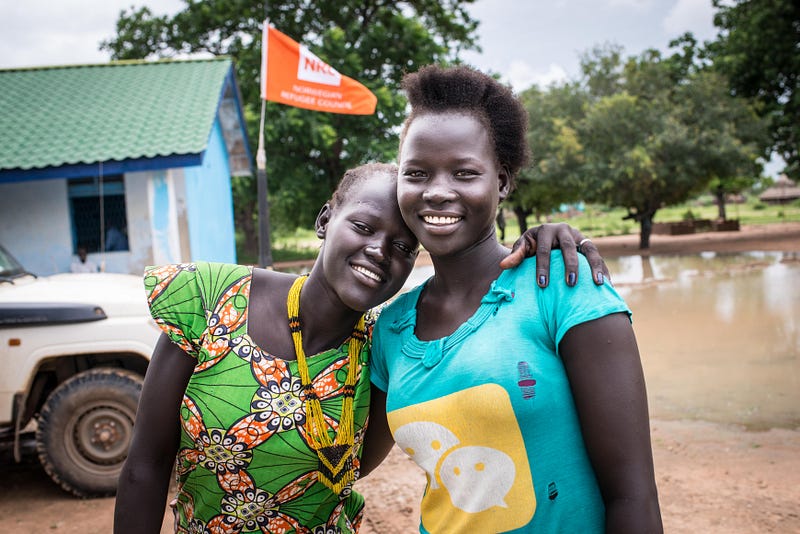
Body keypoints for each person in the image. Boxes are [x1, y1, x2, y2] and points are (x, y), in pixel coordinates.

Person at [113, 162, 604, 533]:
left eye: (402, 247)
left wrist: (540, 241)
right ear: (326, 219)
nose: (379, 251)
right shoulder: (212, 299)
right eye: (364, 228)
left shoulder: (387, 345)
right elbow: (145, 467)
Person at [366, 65, 662, 533]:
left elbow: (632, 496)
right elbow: (347, 462)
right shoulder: (391, 327)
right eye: (416, 173)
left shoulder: (562, 285)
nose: (437, 192)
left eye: (464, 173)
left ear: (502, 182)